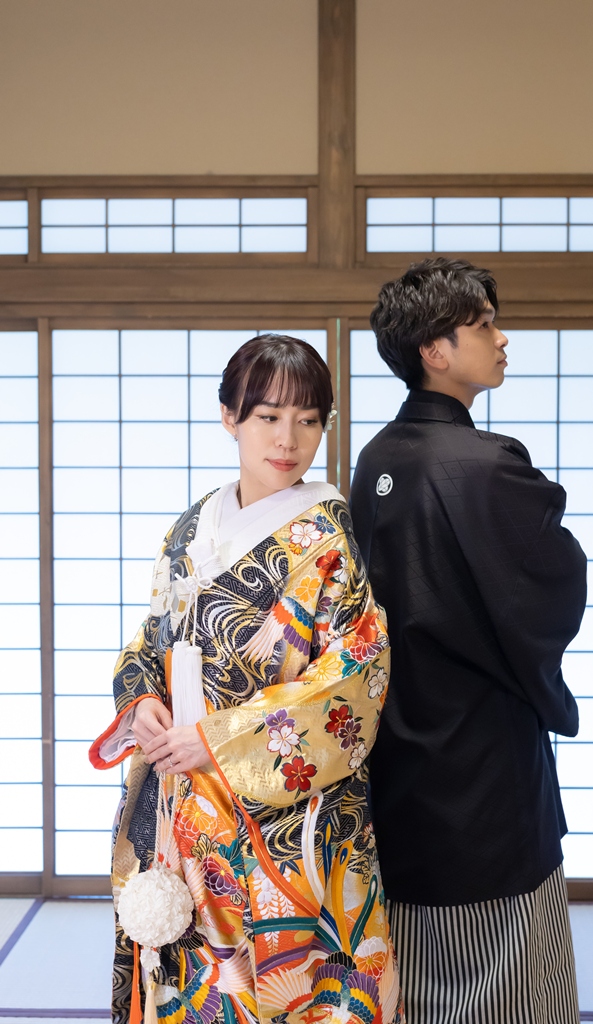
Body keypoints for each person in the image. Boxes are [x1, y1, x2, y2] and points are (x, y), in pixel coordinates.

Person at [90, 335, 403, 1024]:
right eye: (268, 416)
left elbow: (353, 676)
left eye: (309, 419)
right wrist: (141, 700)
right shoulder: (190, 527)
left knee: (291, 990)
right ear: (230, 417)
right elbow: (151, 637)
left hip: (288, 822)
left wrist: (222, 738)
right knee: (190, 983)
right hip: (183, 803)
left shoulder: (327, 540)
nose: (289, 439)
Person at [349, 259, 587, 1024]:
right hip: (485, 770)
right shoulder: (486, 464)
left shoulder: (374, 459)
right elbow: (553, 588)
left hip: (397, 758)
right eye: (483, 324)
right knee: (511, 987)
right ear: (434, 351)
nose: (501, 337)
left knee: (414, 982)